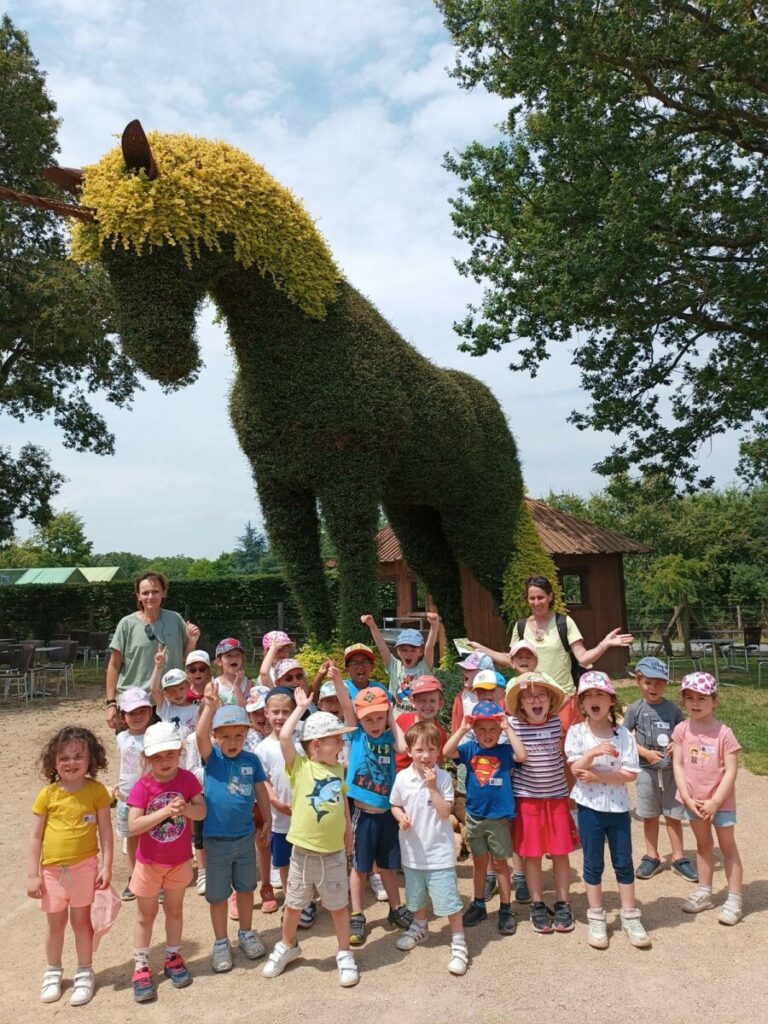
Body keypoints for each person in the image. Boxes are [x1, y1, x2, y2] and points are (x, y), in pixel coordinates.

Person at [262, 689, 359, 988]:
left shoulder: (338, 768)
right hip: (303, 853)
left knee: (338, 906)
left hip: (333, 853)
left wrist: (348, 831)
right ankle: (287, 945)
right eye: (336, 739)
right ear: (316, 745)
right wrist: (301, 707)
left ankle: (344, 952)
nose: (341, 744)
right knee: (293, 905)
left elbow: (342, 802)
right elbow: (284, 737)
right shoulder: (300, 767)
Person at [468, 574, 633, 732]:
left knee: (567, 747)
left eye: (540, 597)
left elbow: (583, 658)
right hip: (532, 703)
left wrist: (604, 644)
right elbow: (511, 659)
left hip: (563, 700)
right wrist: (483, 650)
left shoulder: (564, 623)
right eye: (532, 598)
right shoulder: (521, 626)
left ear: (550, 596)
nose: (536, 602)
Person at [27, 727, 114, 1007]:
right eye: (64, 757)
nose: (71, 762)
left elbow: (106, 832)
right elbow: (36, 836)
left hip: (85, 869)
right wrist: (33, 874)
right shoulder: (48, 794)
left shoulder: (97, 791)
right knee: (55, 925)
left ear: (91, 760)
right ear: (53, 761)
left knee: (81, 922)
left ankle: (85, 971)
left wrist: (107, 866)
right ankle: (53, 971)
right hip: (52, 873)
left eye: (78, 756)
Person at [564, 671, 650, 949]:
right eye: (588, 696)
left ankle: (630, 915)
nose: (594, 700)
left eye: (599, 694)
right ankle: (597, 916)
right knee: (593, 862)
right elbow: (576, 769)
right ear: (581, 703)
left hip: (618, 809)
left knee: (623, 861)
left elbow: (630, 773)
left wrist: (598, 776)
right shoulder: (577, 732)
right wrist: (593, 753)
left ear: (611, 700)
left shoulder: (623, 735)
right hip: (589, 808)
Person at [126, 721, 206, 1002]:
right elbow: (133, 826)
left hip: (179, 861)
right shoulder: (143, 786)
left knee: (174, 910)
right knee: (145, 915)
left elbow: (202, 812)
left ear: (180, 751)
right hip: (149, 863)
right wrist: (164, 813)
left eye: (170, 754)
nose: (164, 761)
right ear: (147, 757)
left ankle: (173, 957)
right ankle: (141, 967)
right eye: (157, 756)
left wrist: (187, 809)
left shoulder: (187, 779)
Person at [196, 689, 272, 971]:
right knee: (217, 895)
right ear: (215, 736)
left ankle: (246, 933)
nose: (232, 742)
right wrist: (209, 707)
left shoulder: (251, 760)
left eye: (239, 735)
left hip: (245, 838)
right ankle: (220, 942)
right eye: (225, 736)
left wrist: (267, 819)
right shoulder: (212, 758)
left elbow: (261, 791)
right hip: (215, 841)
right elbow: (199, 736)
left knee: (246, 888)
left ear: (246, 735)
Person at [335, 682, 412, 945]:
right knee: (360, 868)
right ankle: (357, 914)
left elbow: (403, 748)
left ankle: (396, 908)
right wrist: (337, 680)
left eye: (379, 717)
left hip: (387, 813)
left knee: (388, 866)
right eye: (369, 718)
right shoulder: (357, 734)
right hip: (363, 814)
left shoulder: (389, 737)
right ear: (359, 719)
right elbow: (346, 705)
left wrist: (391, 717)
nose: (375, 723)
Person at [390, 720, 469, 976]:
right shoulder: (402, 778)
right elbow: (395, 804)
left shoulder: (443, 778)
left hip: (439, 854)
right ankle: (420, 926)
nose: (426, 756)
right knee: (417, 897)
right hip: (412, 853)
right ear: (409, 751)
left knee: (448, 900)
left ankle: (458, 940)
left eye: (432, 749)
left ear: (438, 752)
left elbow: (445, 812)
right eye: (420, 750)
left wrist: (432, 787)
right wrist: (400, 817)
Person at [444, 701, 527, 935]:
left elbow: (522, 755)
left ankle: (506, 908)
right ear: (474, 730)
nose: (487, 734)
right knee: (479, 863)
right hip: (475, 816)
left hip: (498, 818)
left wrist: (508, 728)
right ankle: (478, 904)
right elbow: (447, 752)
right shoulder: (470, 748)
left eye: (493, 729)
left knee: (500, 864)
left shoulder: (504, 751)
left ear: (500, 731)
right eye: (481, 729)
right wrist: (462, 729)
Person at [505, 671, 577, 933]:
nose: (536, 701)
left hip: (556, 798)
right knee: (532, 855)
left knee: (560, 853)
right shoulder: (514, 726)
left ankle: (563, 902)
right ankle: (537, 903)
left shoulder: (557, 723)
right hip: (528, 801)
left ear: (550, 700)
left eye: (542, 695)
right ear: (520, 704)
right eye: (528, 697)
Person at [671, 672, 743, 925]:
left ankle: (734, 899)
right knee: (703, 845)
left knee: (727, 847)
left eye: (702, 698)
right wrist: (686, 797)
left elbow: (731, 771)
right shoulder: (681, 730)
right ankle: (705, 892)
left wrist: (715, 802)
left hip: (720, 803)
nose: (695, 703)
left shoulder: (724, 733)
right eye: (689, 697)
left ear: (715, 700)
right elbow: (678, 764)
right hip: (693, 801)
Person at [624, 656, 698, 883]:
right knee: (650, 815)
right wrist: (644, 753)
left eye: (658, 683)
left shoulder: (672, 709)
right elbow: (624, 738)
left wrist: (677, 744)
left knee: (673, 815)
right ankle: (652, 856)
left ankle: (678, 857)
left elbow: (684, 732)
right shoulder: (635, 710)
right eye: (648, 682)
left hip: (671, 772)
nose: (653, 687)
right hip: (646, 771)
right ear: (639, 681)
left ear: (666, 684)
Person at [105, 571, 200, 729]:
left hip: (170, 703)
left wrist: (192, 641)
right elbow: (114, 665)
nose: (150, 596)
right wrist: (111, 703)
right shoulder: (126, 624)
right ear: (138, 596)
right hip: (135, 704)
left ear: (164, 593)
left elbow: (185, 658)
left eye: (155, 591)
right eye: (145, 593)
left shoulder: (175, 619)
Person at [256, 687, 299, 914]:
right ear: (266, 713)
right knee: (283, 862)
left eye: (286, 712)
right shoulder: (262, 748)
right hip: (280, 818)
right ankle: (291, 901)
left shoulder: (302, 740)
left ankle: (305, 900)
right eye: (275, 712)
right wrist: (276, 803)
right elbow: (263, 781)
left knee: (305, 859)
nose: (280, 717)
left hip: (304, 815)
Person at [114, 687, 154, 901]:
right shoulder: (121, 737)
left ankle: (155, 878)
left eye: (142, 711)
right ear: (123, 716)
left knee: (153, 837)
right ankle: (134, 876)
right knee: (131, 838)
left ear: (150, 712)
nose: (137, 716)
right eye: (132, 713)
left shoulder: (154, 736)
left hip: (151, 798)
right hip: (126, 798)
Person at [360, 614, 440, 712]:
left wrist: (434, 625)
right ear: (398, 651)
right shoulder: (394, 666)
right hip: (396, 719)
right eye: (404, 650)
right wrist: (372, 625)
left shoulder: (424, 668)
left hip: (418, 719)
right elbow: (382, 647)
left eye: (413, 650)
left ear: (420, 652)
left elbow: (429, 647)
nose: (408, 654)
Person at [394, 675, 448, 772]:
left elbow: (438, 763)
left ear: (440, 704)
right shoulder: (402, 720)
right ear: (412, 702)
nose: (427, 705)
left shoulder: (440, 732)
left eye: (432, 701)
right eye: (422, 701)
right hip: (396, 773)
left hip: (421, 777)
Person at [149, 650, 198, 739]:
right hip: (170, 747)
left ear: (188, 686)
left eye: (181, 688)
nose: (178, 693)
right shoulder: (166, 707)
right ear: (165, 694)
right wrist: (158, 667)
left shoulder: (196, 709)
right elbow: (154, 689)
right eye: (172, 691)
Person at [213, 638, 251, 704]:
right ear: (219, 661)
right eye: (229, 655)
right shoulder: (215, 684)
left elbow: (244, 708)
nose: (234, 658)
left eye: (237, 655)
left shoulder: (248, 684)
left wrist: (237, 686)